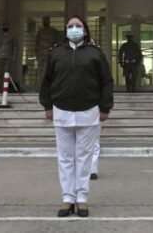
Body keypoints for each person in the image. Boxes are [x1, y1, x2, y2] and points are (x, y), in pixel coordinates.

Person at [39, 15, 113, 218]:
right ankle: (67, 198)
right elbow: (46, 80)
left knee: (83, 157)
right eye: (70, 26)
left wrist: (105, 107)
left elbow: (106, 82)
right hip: (61, 111)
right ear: (65, 30)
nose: (74, 28)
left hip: (88, 111)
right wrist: (47, 105)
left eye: (78, 26)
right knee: (65, 158)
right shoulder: (56, 53)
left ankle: (81, 198)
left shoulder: (95, 54)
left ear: (85, 30)